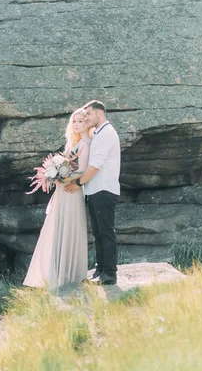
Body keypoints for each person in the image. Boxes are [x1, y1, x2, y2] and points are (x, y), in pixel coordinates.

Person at [23, 108, 92, 290]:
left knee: (68, 226)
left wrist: (61, 177)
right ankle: (56, 273)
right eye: (74, 121)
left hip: (71, 191)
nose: (77, 124)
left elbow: (82, 171)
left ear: (87, 123)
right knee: (57, 227)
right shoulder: (75, 143)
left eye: (80, 121)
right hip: (64, 191)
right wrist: (53, 173)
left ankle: (67, 274)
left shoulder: (85, 144)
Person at [65, 100, 120, 285]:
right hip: (94, 190)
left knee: (106, 232)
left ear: (99, 114)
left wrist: (78, 183)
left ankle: (110, 273)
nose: (86, 117)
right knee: (98, 233)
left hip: (104, 189)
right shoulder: (98, 133)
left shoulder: (107, 133)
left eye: (88, 114)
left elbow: (95, 165)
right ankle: (100, 270)